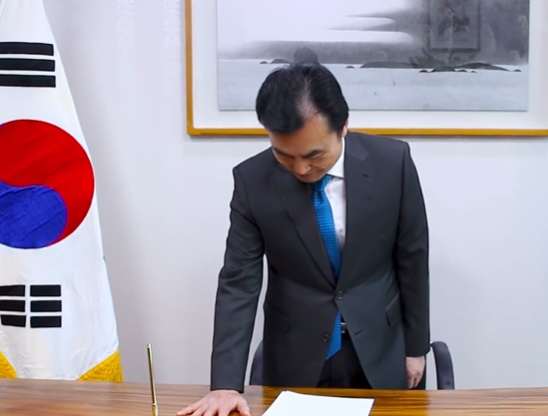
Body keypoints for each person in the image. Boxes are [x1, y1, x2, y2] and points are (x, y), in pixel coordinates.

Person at [178, 62, 431, 416]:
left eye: (315, 156)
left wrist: (416, 348)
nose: (300, 169)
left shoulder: (393, 163)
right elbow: (239, 282)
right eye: (284, 155)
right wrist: (225, 385)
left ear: (343, 126)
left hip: (381, 349)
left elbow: (412, 259)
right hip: (295, 356)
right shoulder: (252, 181)